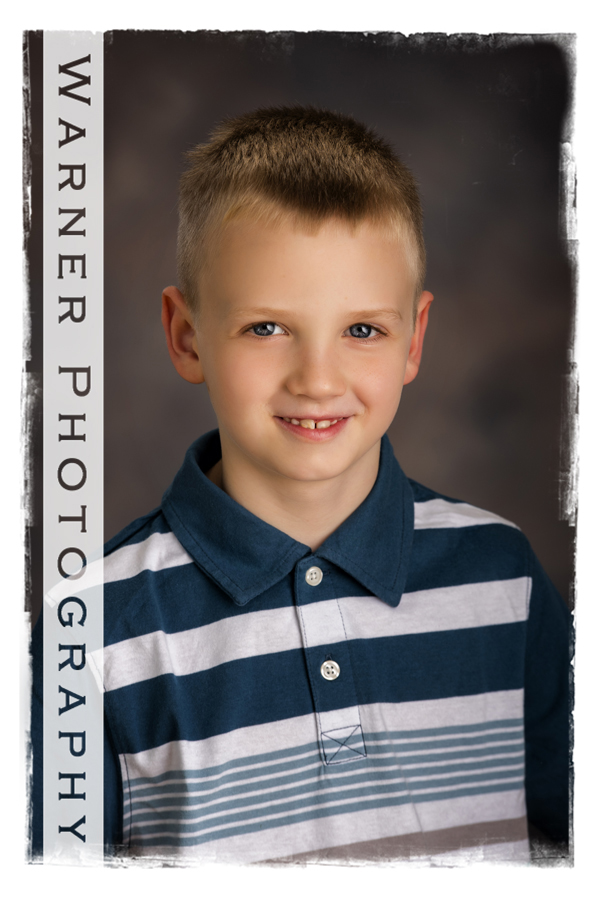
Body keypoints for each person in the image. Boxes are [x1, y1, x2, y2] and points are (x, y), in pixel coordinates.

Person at [32, 106, 571, 865]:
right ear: (186, 336)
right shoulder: (91, 632)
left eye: (362, 331)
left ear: (413, 339)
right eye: (266, 328)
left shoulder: (503, 577)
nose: (318, 381)